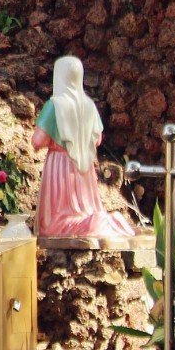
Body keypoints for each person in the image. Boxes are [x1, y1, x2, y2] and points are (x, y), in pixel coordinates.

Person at [32, 55, 136, 240]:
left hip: (60, 166)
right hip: (84, 167)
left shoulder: (54, 105)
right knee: (83, 208)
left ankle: (89, 224)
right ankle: (100, 221)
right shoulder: (89, 105)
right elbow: (97, 140)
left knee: (57, 220)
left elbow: (37, 141)